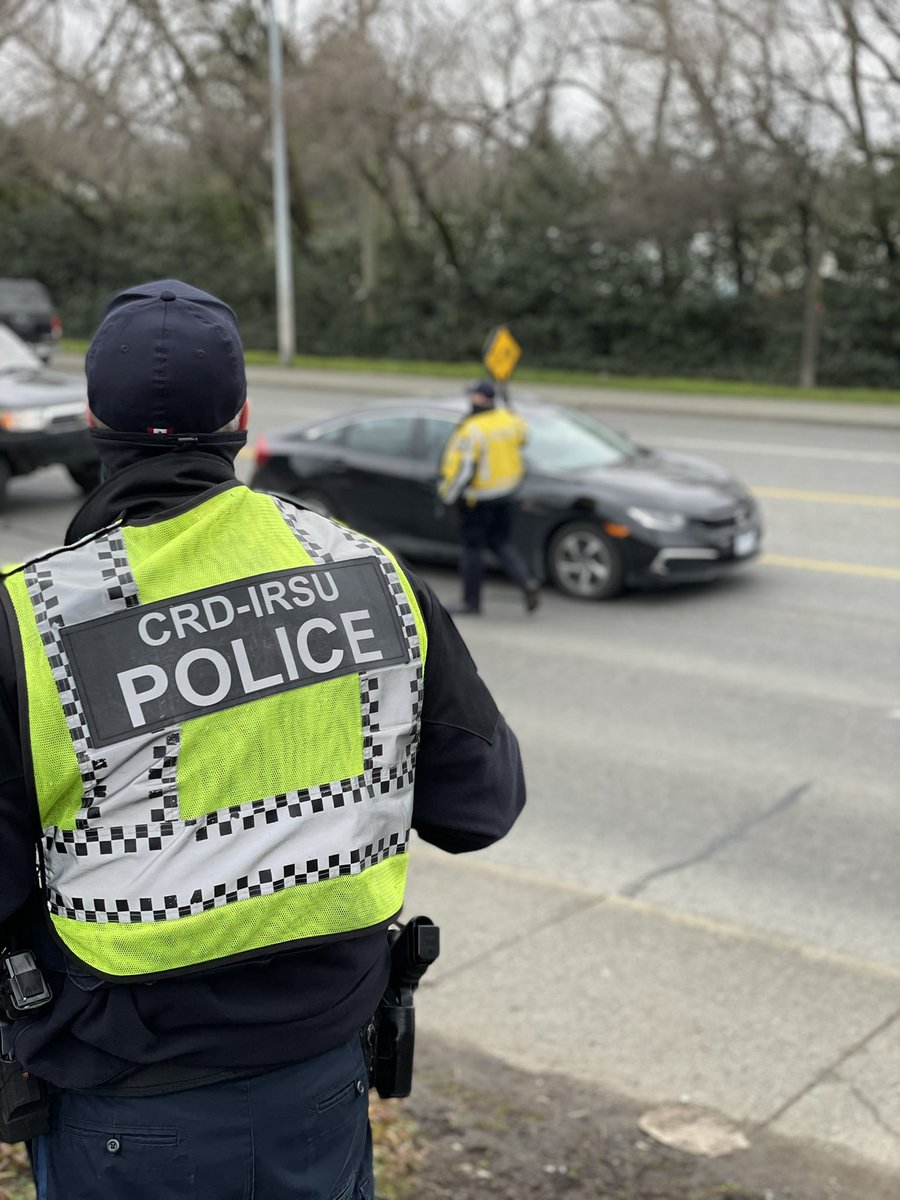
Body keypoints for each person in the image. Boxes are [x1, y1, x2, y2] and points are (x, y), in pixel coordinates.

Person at [0, 280, 525, 1200]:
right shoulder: (368, 572)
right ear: (242, 419)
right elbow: (480, 807)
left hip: (124, 1106)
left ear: (92, 421)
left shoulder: (30, 619)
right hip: (320, 1087)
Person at [438, 381, 540, 616]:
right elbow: (523, 439)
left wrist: (447, 496)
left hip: (478, 500)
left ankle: (471, 602)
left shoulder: (473, 428)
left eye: (473, 396)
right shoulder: (510, 420)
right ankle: (527, 582)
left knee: (472, 550)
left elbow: (465, 470)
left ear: (481, 399)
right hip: (507, 494)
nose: (470, 400)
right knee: (501, 543)